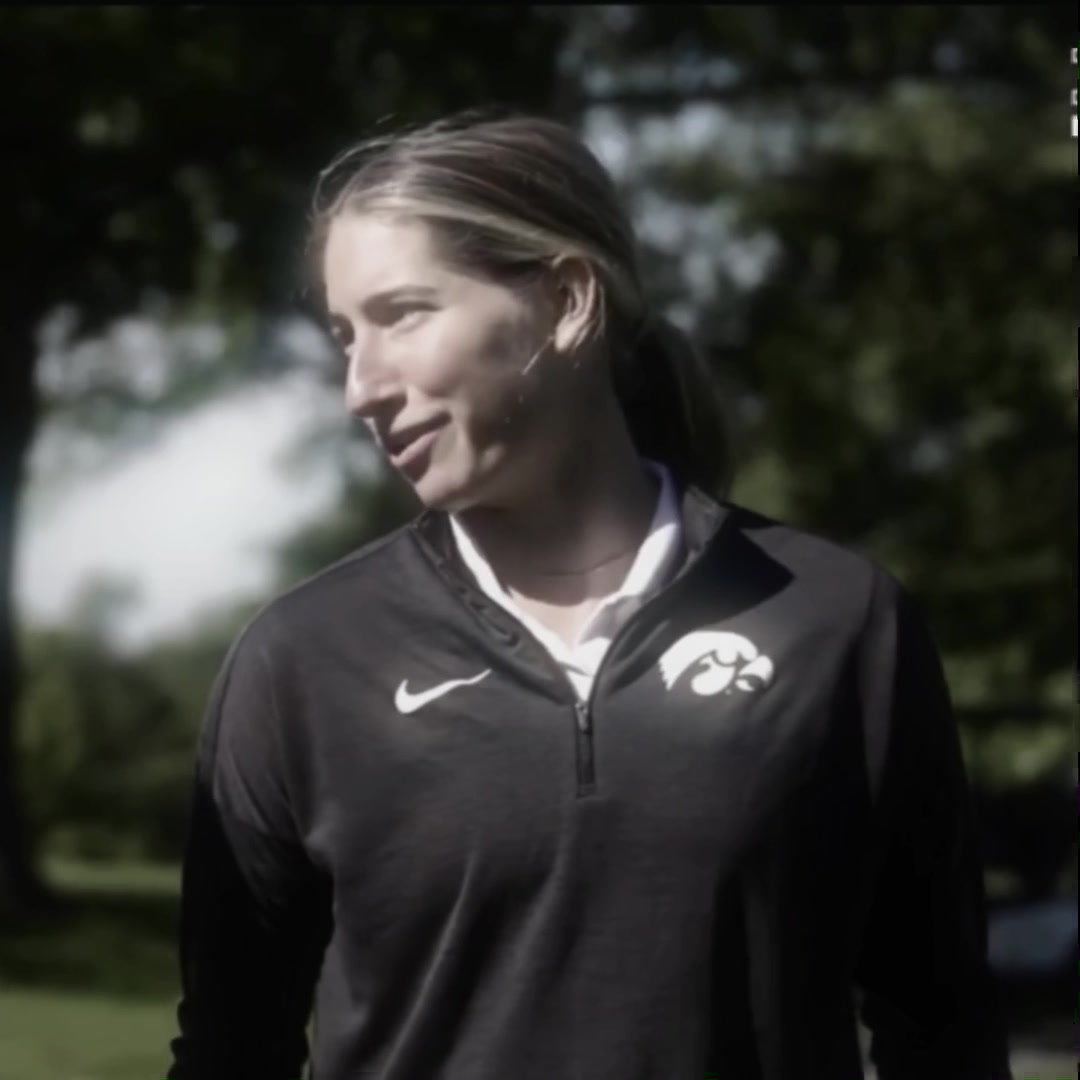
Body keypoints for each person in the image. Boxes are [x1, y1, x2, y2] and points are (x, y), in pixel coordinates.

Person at [164, 107, 1013, 1080]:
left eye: (403, 315)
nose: (361, 386)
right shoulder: (303, 659)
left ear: (568, 301)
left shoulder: (839, 622)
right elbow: (230, 1051)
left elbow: (943, 1025)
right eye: (346, 335)